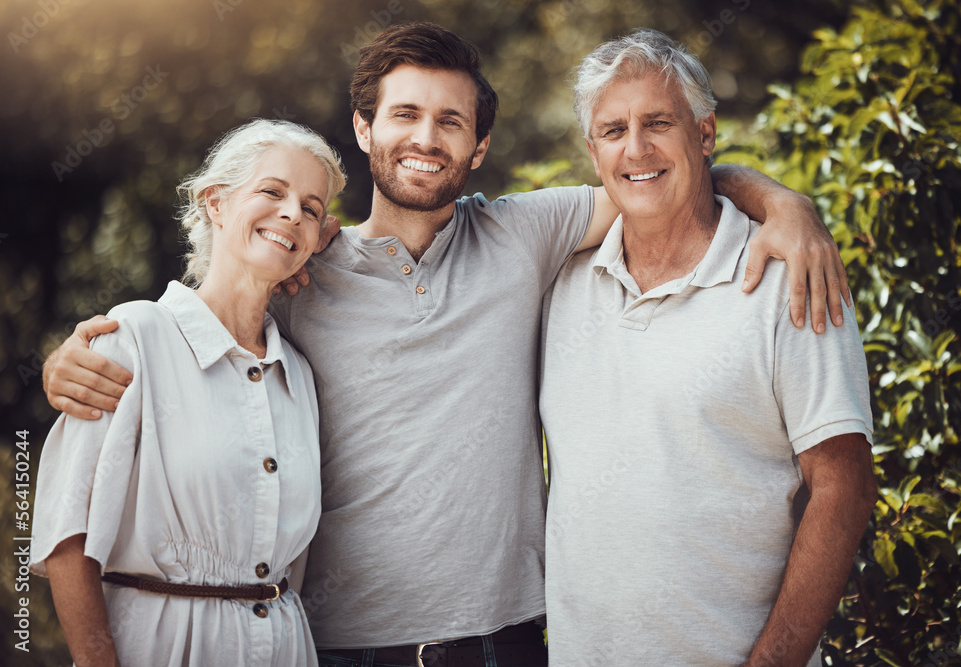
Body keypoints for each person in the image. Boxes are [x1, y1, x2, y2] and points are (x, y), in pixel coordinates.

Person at [43, 23, 853, 667]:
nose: (425, 137)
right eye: (403, 114)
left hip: (508, 643)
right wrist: (74, 359)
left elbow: (650, 175)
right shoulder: (304, 267)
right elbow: (205, 318)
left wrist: (783, 205)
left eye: (450, 121)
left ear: (479, 147)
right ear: (364, 128)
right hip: (335, 646)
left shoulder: (526, 233)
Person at [538, 29, 877, 666]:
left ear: (705, 133)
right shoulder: (560, 278)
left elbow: (844, 486)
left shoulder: (790, 277)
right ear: (593, 152)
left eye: (658, 122)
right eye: (614, 131)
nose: (635, 148)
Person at [30, 119, 346, 667]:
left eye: (312, 207)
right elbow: (67, 540)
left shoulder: (299, 373)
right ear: (216, 203)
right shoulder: (131, 339)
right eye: (272, 191)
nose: (294, 212)